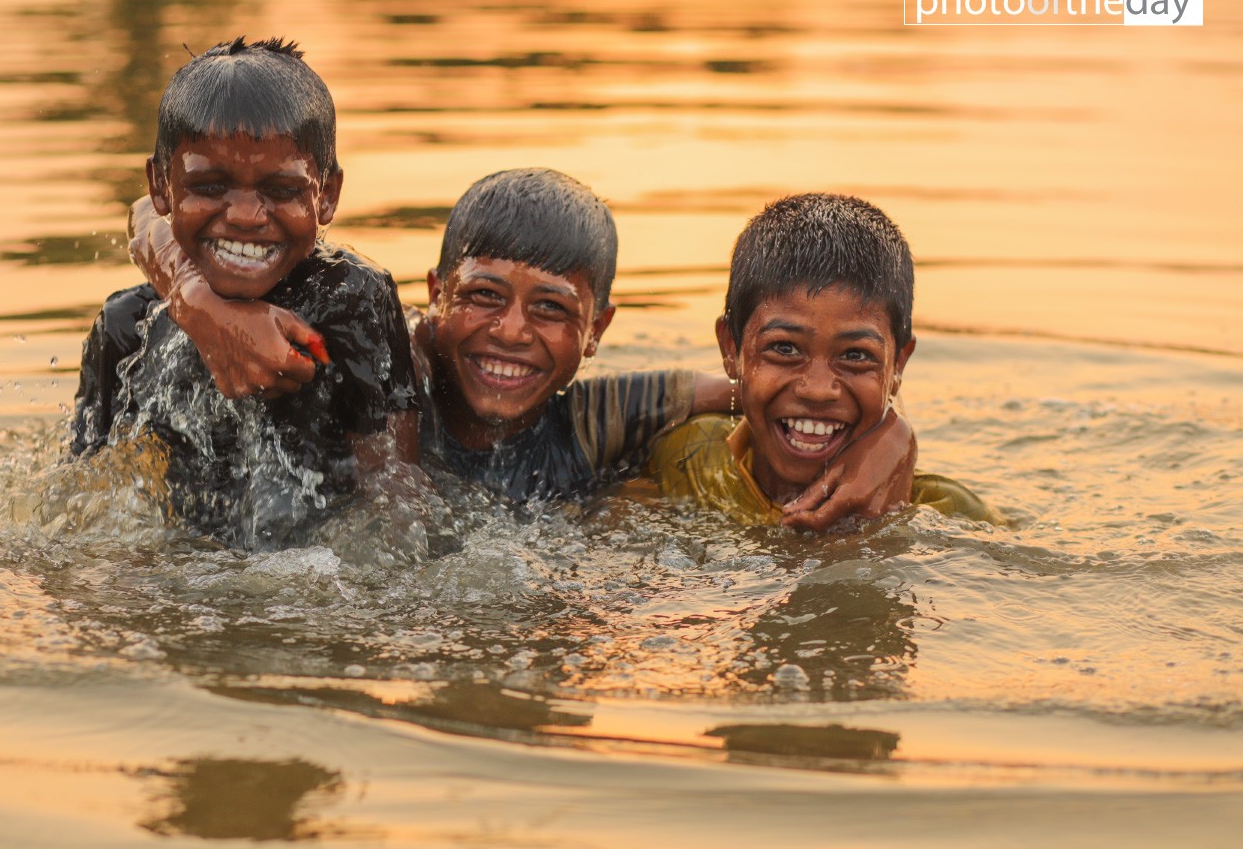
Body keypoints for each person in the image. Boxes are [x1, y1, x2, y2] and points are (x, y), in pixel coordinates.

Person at [132, 165, 918, 526]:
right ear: (432, 293)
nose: (511, 333)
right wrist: (199, 302)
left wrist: (891, 433)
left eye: (550, 309)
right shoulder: (379, 365)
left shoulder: (595, 422)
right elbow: (150, 208)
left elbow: (761, 386)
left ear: (596, 331)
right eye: (480, 297)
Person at [71, 37, 418, 549]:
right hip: (187, 572)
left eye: (280, 191)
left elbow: (396, 496)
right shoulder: (129, 330)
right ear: (160, 187)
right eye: (210, 186)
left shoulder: (352, 302)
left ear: (328, 195)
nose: (245, 216)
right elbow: (78, 502)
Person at [649, 192, 1005, 526]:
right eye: (785, 348)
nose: (818, 390)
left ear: (897, 365)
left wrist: (878, 528)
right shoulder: (687, 458)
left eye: (855, 355)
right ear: (731, 348)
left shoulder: (948, 514)